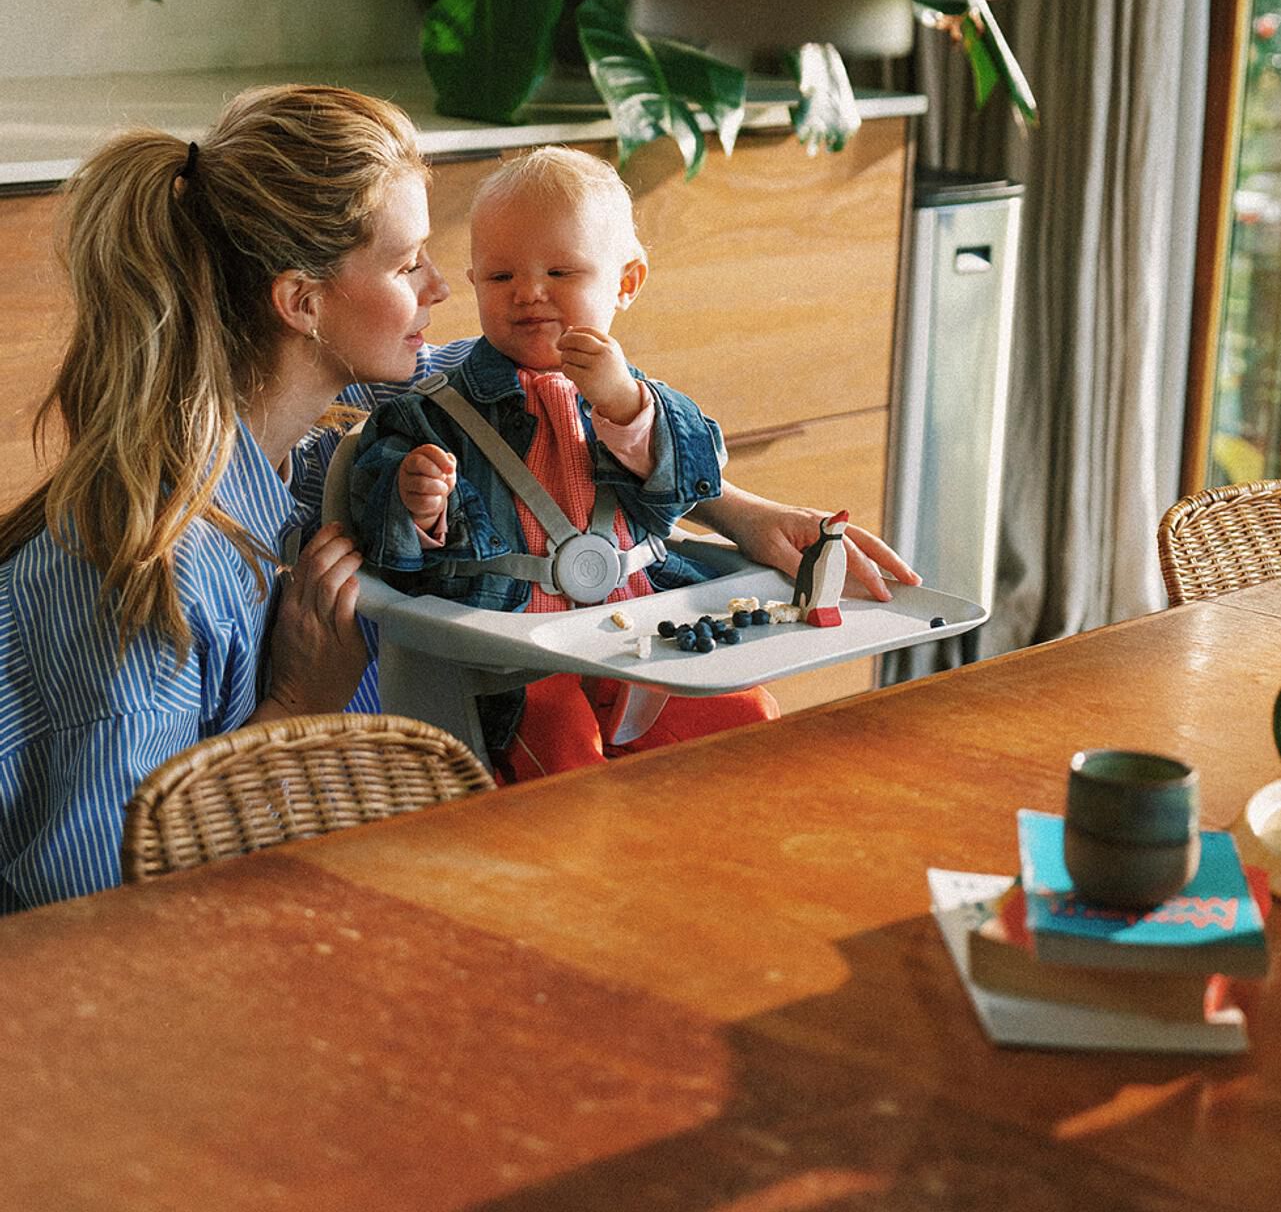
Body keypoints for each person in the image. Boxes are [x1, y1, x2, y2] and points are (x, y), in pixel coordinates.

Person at [0, 83, 916, 911]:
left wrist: (735, 510)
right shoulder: (134, 570)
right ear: (301, 303)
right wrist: (296, 709)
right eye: (407, 269)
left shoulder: (325, 448)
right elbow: (103, 907)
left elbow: (534, 405)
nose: (446, 288)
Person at [346, 149, 771, 776]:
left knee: (744, 721)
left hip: (647, 635)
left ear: (625, 283)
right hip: (518, 662)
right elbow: (388, 547)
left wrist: (626, 404)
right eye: (499, 279)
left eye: (561, 272)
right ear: (475, 285)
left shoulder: (637, 399)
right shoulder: (430, 416)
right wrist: (417, 505)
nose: (527, 295)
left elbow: (691, 479)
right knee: (567, 762)